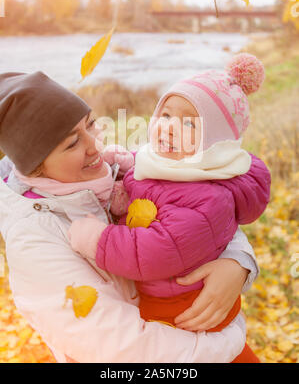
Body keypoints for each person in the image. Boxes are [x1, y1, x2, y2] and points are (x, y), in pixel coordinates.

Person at [0, 70, 258, 363]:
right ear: (36, 166)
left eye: (91, 125)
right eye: (72, 143)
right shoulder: (34, 240)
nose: (95, 145)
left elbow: (205, 213)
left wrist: (238, 263)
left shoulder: (122, 169)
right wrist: (228, 341)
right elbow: (121, 348)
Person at [68, 54, 271, 363]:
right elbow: (148, 185)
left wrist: (98, 239)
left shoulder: (209, 196)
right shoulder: (167, 162)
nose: (170, 128)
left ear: (215, 143)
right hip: (159, 307)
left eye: (190, 123)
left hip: (182, 311)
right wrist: (124, 169)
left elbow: (157, 251)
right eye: (165, 115)